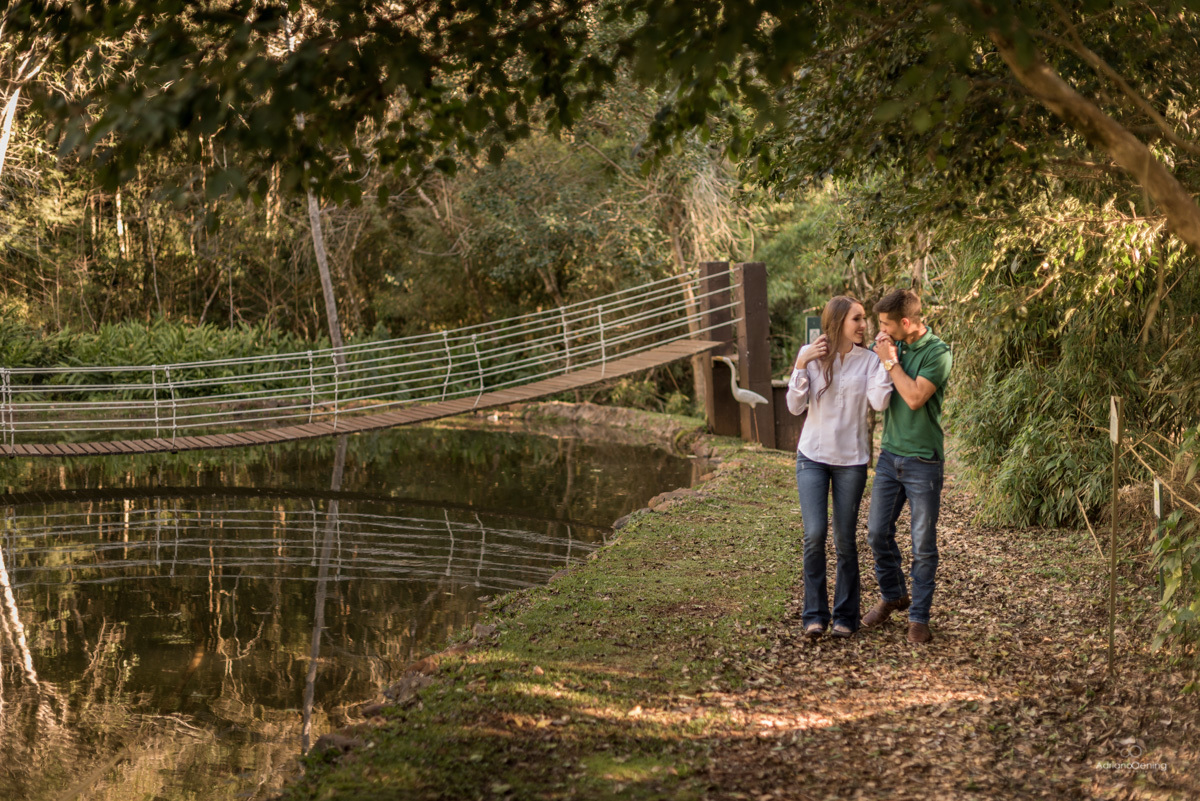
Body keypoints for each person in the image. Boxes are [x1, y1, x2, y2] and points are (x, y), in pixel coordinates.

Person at [786, 296, 893, 640]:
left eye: (864, 319)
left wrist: (886, 364)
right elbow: (793, 405)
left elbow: (879, 401)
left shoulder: (870, 361)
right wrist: (802, 364)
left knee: (846, 540)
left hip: (852, 461)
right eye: (857, 319)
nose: (864, 325)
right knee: (814, 535)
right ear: (837, 322)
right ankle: (814, 615)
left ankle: (845, 615)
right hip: (812, 458)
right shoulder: (812, 354)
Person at [862, 288, 953, 644]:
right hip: (889, 456)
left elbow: (915, 398)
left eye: (885, 324)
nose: (879, 331)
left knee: (923, 544)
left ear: (905, 322)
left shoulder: (938, 352)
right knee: (876, 533)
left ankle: (919, 618)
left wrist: (890, 361)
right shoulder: (888, 347)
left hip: (923, 462)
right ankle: (894, 594)